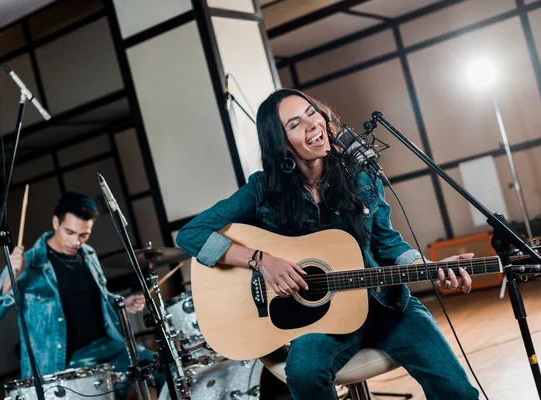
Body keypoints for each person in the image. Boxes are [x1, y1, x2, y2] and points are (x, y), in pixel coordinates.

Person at [175, 88, 479, 399]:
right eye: (294, 124)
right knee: (304, 372)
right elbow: (190, 234)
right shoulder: (263, 190)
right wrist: (260, 260)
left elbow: (388, 243)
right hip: (322, 321)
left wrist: (427, 268)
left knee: (458, 390)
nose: (312, 126)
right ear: (280, 143)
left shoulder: (361, 177)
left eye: (312, 113)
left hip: (385, 305)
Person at [0, 191, 163, 398]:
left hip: (111, 346)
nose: (76, 242)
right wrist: (9, 278)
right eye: (70, 232)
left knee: (164, 368)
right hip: (71, 360)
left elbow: (97, 299)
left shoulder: (88, 254)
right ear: (56, 222)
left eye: (84, 235)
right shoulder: (27, 263)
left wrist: (123, 303)